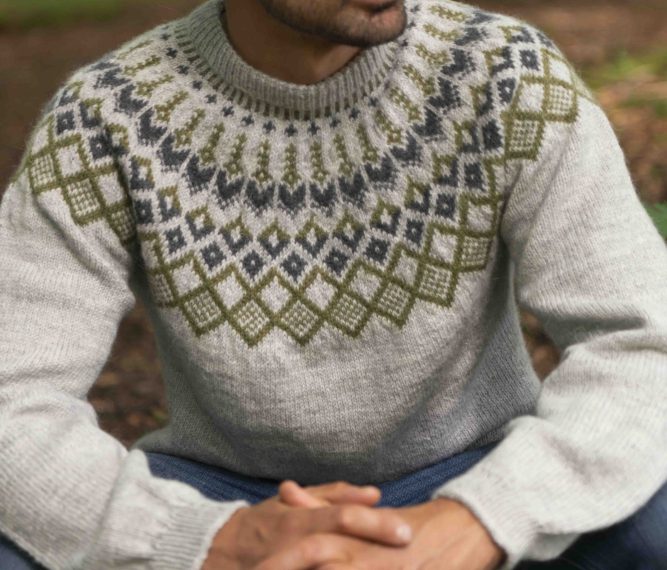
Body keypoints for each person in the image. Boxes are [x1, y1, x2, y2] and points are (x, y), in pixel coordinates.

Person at [0, 0, 665, 568]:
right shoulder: (104, 119)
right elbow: (12, 400)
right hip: (216, 492)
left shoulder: (501, 72)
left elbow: (644, 343)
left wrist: (482, 518)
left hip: (482, 467)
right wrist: (207, 539)